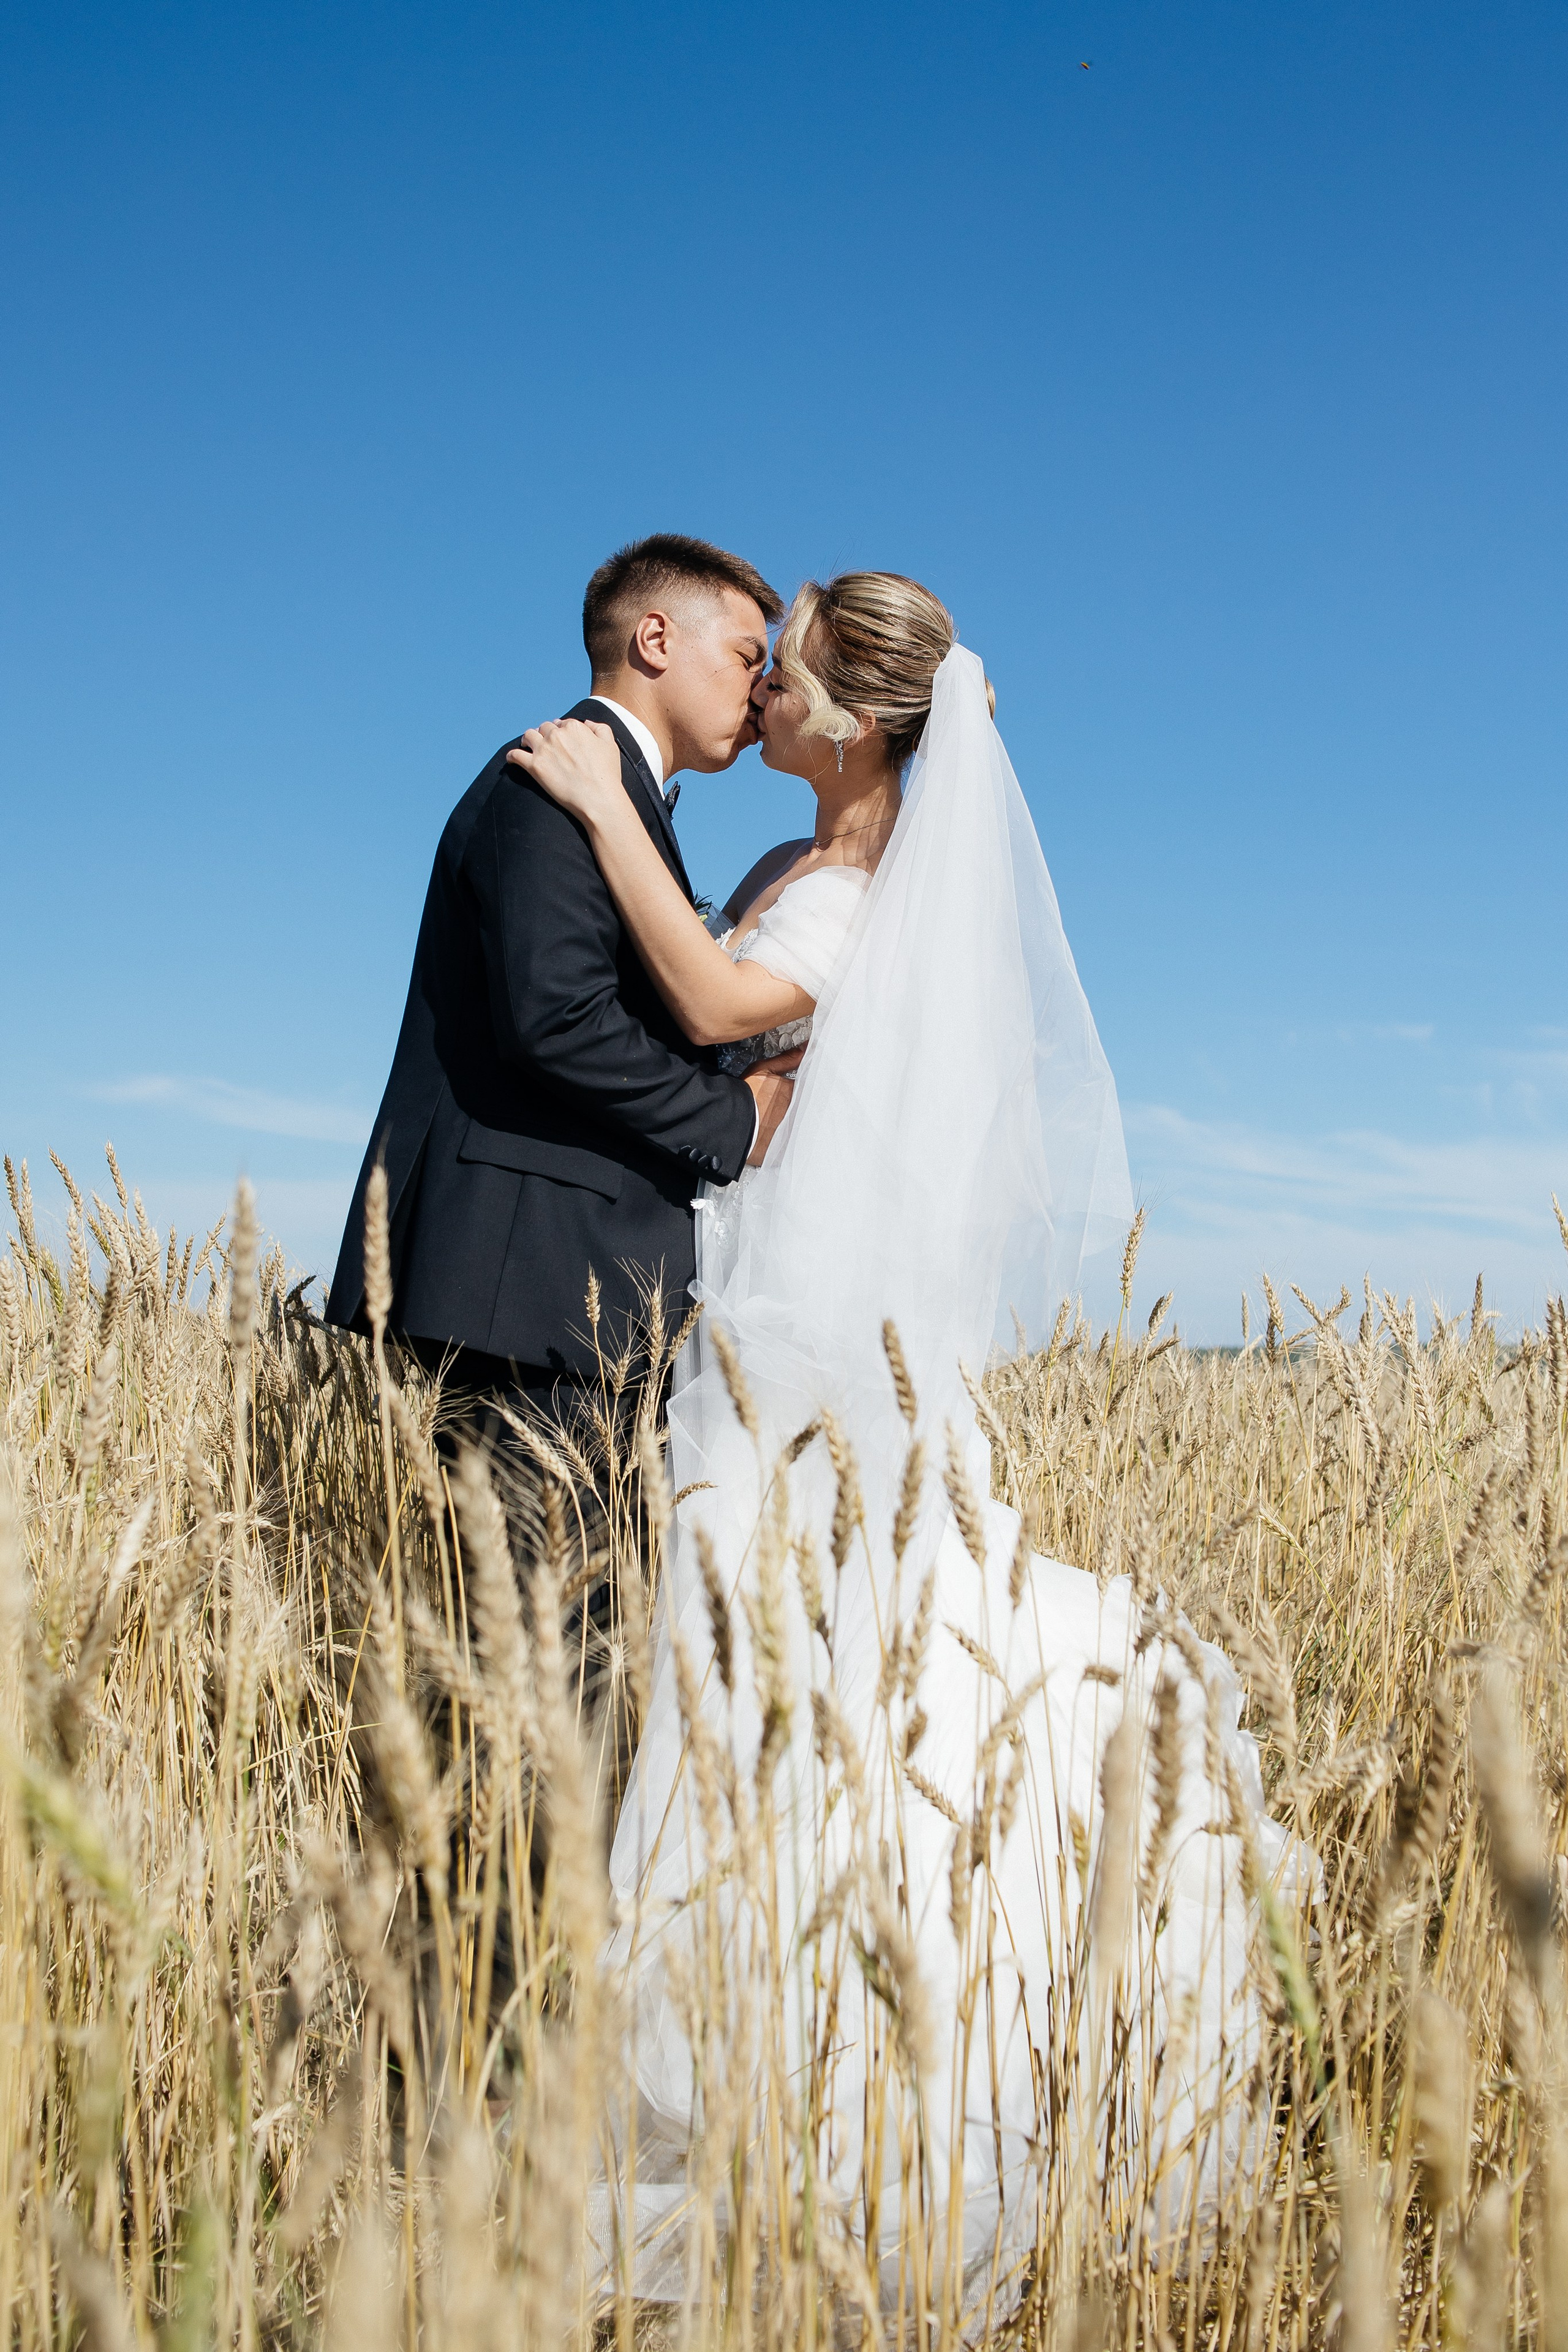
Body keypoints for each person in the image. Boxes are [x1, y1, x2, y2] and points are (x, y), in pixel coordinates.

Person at [513, 573, 1297, 2315]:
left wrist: (588, 805)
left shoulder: (857, 896)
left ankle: (830, 2101)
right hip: (755, 1307)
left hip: (810, 1352)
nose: (764, 687)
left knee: (800, 1675)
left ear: (854, 721)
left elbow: (718, 1007)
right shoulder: (813, 870)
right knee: (760, 1685)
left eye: (780, 664)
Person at [325, 532, 802, 1428]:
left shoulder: (613, 792)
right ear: (656, 640)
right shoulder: (554, 777)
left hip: (574, 1295)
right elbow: (560, 1019)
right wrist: (739, 1119)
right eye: (746, 655)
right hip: (528, 1285)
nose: (761, 685)